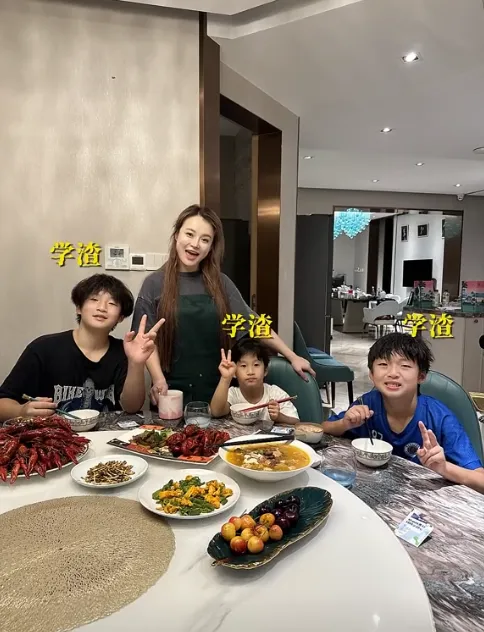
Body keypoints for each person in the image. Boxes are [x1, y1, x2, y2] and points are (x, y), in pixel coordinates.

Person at [131, 204, 314, 408]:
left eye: (205, 240)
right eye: (189, 234)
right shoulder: (154, 284)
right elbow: (147, 341)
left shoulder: (221, 283)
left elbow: (253, 324)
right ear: (176, 235)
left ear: (211, 247)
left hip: (219, 390)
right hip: (170, 391)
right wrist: (158, 379)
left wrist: (292, 355)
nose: (195, 244)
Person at [323, 333, 484, 493]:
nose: (393, 373)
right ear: (371, 374)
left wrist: (444, 468)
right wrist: (344, 423)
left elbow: (480, 480)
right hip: (373, 492)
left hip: (424, 498)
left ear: (421, 376)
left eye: (405, 366)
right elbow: (322, 428)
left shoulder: (439, 417)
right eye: (383, 364)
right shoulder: (367, 404)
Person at [0, 274, 164, 421]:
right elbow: (3, 402)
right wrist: (20, 411)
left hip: (105, 439)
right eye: (94, 300)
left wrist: (135, 363)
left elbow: (131, 407)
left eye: (112, 303)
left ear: (120, 317)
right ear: (79, 308)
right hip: (53, 438)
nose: (102, 307)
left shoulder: (123, 351)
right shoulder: (43, 348)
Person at [210, 338, 299, 424]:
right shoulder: (233, 394)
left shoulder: (275, 393)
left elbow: (295, 421)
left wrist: (279, 417)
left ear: (265, 370)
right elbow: (216, 412)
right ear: (234, 372)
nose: (250, 372)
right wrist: (225, 378)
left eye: (256, 365)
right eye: (243, 366)